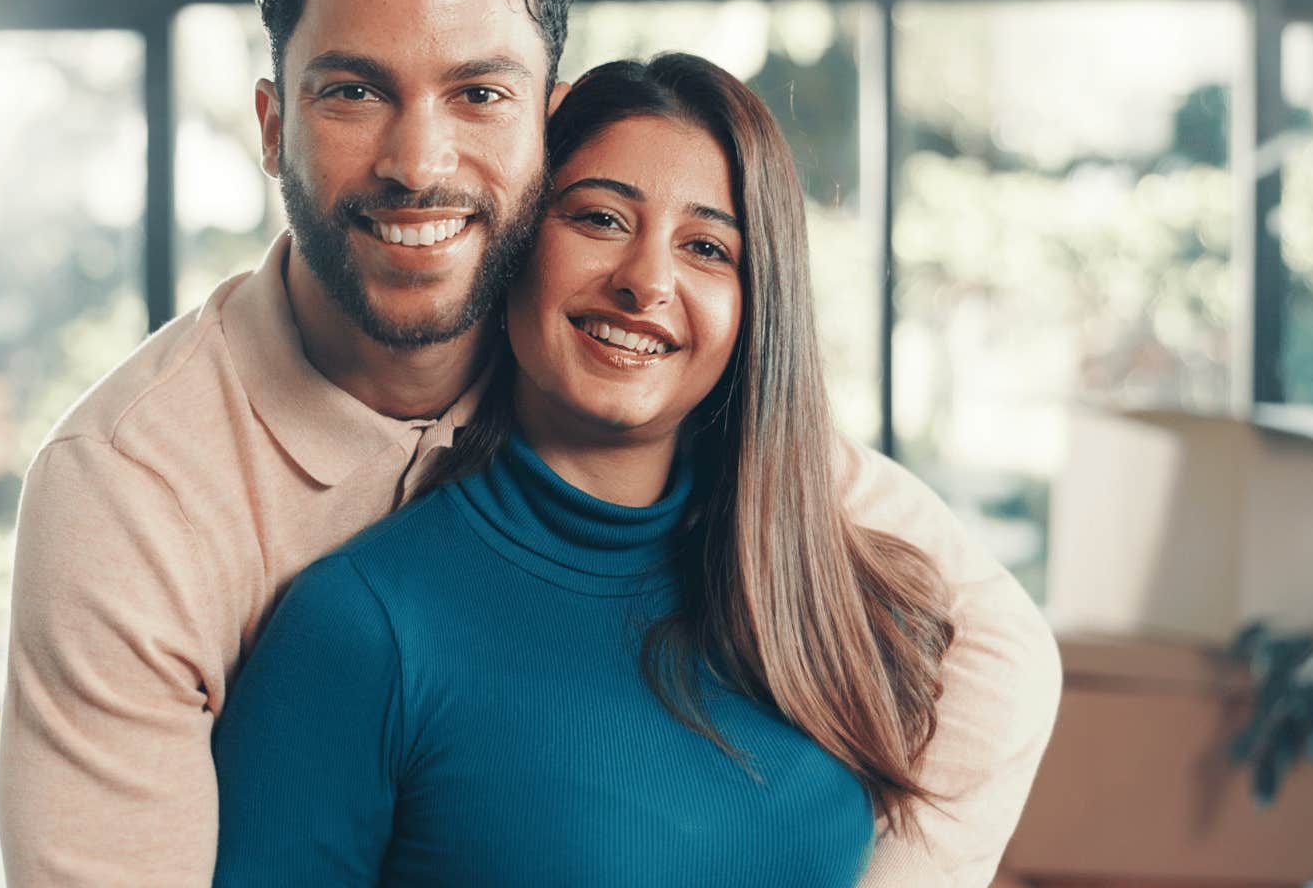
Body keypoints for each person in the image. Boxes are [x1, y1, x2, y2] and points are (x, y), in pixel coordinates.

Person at [0, 0, 1060, 888]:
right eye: (354, 92)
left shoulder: (612, 370)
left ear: (549, 133)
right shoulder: (130, 490)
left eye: (480, 96)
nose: (419, 164)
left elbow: (998, 650)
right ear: (273, 129)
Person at [208, 54, 1044, 886]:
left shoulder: (831, 601)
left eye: (708, 247)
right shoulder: (362, 630)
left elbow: (1015, 663)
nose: (647, 281)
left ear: (759, 308)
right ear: (517, 246)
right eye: (601, 219)